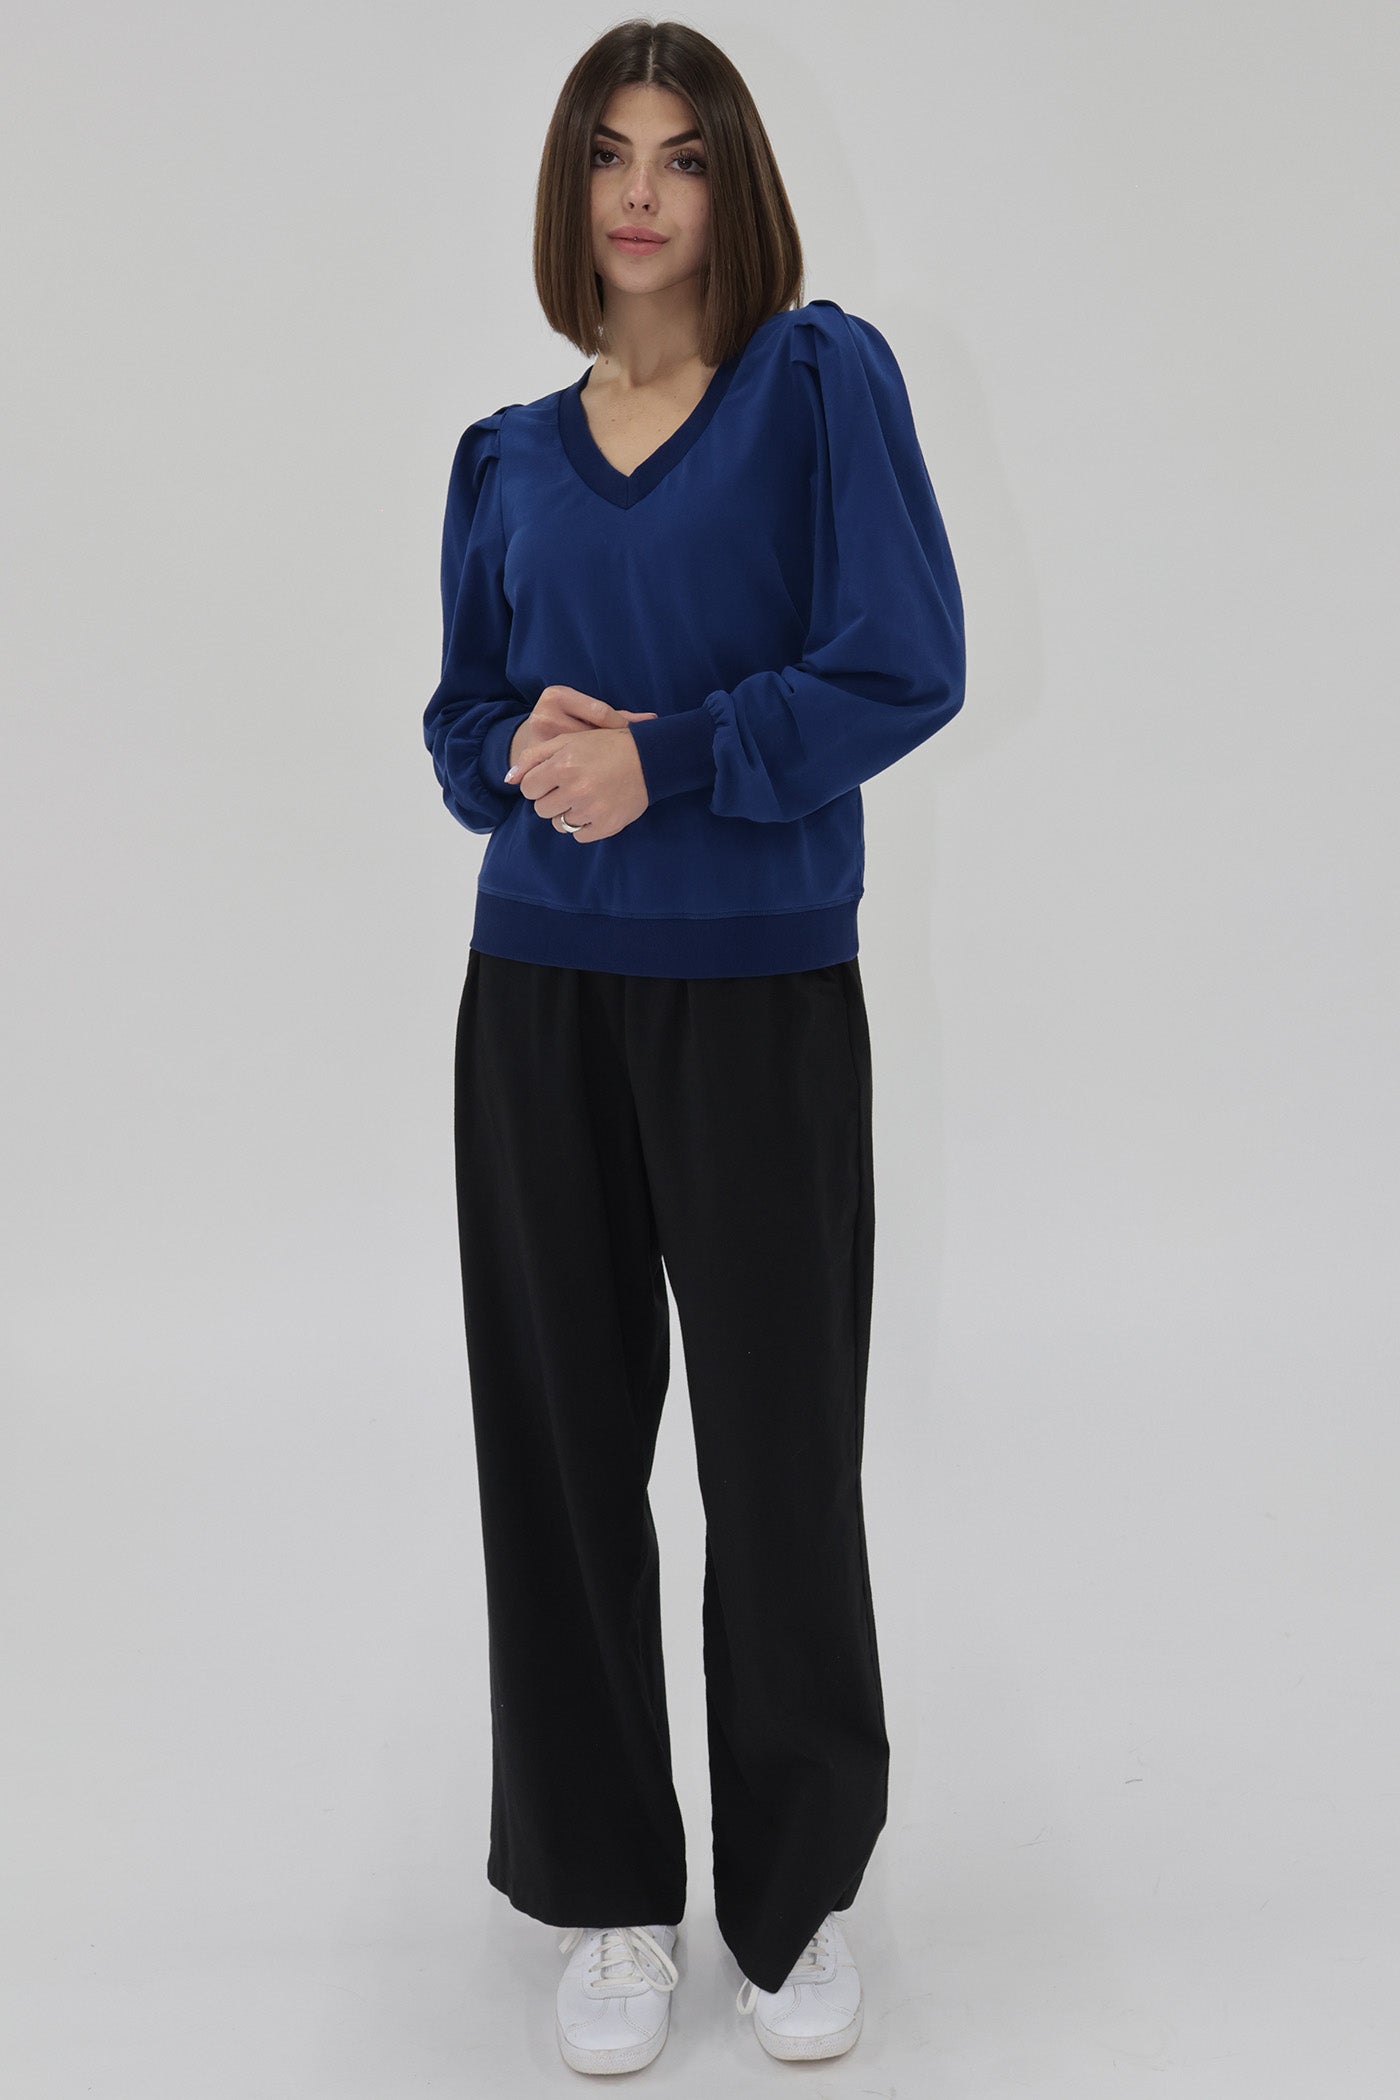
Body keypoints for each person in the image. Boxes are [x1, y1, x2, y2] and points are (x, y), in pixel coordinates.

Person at [421, 17, 965, 2076]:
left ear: (736, 186)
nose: (641, 191)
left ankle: (797, 1896)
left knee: (777, 1452)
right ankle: (607, 1891)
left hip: (757, 995)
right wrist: (522, 756)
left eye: (684, 154)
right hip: (539, 997)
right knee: (560, 1453)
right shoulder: (502, 455)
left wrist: (673, 759)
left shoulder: (818, 385)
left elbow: (904, 664)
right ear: (568, 191)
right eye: (606, 153)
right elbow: (461, 723)